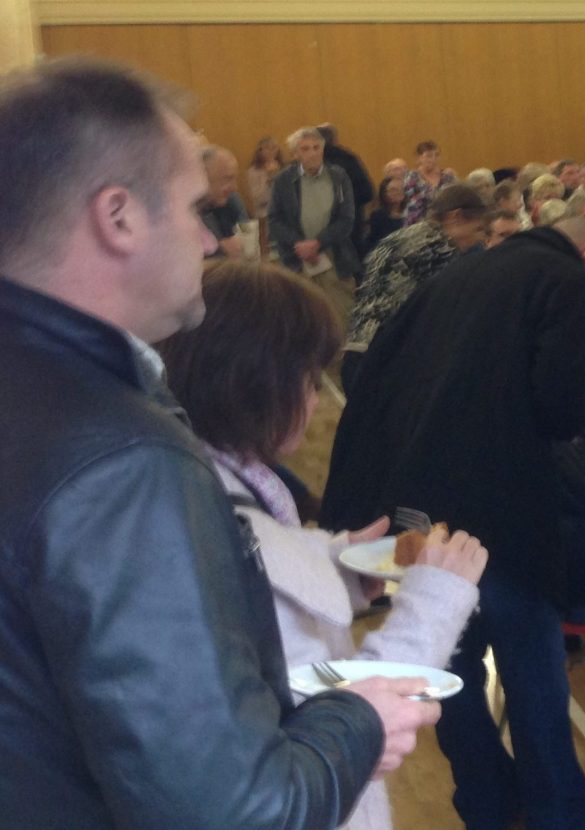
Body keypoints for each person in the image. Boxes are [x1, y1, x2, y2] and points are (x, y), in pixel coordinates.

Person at [0, 56, 434, 828]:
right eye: (195, 206)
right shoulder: (118, 459)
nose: (210, 237)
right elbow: (233, 811)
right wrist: (360, 719)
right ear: (120, 216)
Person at [320, 215, 585, 830]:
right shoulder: (568, 280)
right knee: (532, 662)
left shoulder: (467, 268)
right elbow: (560, 412)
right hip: (497, 503)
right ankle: (560, 815)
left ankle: (487, 802)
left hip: (414, 498)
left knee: (453, 665)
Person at [157, 260, 489, 830]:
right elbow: (340, 713)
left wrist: (332, 566)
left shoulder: (203, 478)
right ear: (255, 381)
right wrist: (438, 598)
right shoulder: (216, 524)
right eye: (308, 380)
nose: (314, 401)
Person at [344, 184, 489, 388]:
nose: (481, 239)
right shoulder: (442, 247)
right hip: (389, 361)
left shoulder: (396, 239)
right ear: (455, 217)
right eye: (479, 229)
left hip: (356, 353)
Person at [269, 126, 363, 298]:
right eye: (305, 149)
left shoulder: (338, 177)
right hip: (297, 260)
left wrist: (318, 243)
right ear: (295, 154)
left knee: (341, 315)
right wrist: (298, 244)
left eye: (316, 147)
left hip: (334, 258)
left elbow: (346, 219)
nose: (312, 153)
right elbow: (274, 219)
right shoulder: (283, 180)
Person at [200, 144, 249, 259]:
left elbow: (244, 226)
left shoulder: (228, 201)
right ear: (203, 176)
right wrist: (220, 251)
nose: (234, 187)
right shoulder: (181, 217)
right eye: (228, 179)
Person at [401, 140, 457, 227]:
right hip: (417, 225)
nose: (433, 159)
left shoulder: (447, 177)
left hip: (444, 224)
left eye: (436, 155)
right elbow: (415, 202)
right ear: (419, 158)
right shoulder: (411, 177)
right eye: (428, 156)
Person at [245, 134, 283, 222]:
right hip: (264, 213)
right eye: (267, 148)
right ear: (260, 151)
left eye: (273, 148)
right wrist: (269, 178)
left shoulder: (284, 168)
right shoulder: (254, 171)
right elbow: (258, 200)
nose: (270, 151)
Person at [367, 175, 407, 248]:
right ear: (384, 194)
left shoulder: (411, 213)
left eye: (401, 189)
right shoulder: (378, 216)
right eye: (393, 190)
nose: (398, 192)